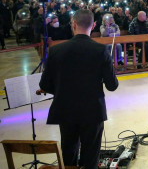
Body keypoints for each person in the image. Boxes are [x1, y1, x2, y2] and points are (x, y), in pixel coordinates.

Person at [38, 9, 119, 169]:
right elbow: (112, 86)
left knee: (69, 152)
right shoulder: (101, 50)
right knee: (91, 155)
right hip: (92, 111)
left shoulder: (56, 50)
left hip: (65, 109)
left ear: (73, 24)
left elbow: (45, 85)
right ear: (94, 25)